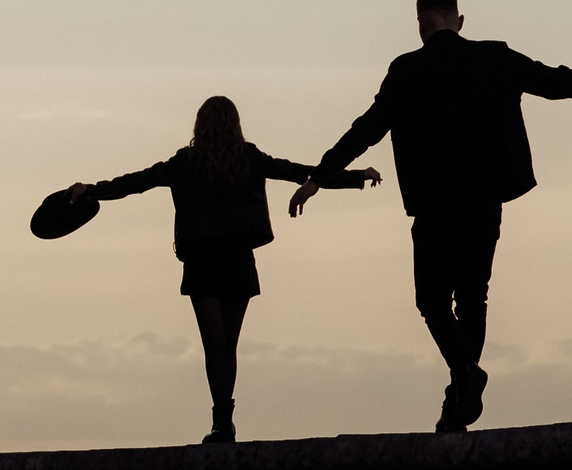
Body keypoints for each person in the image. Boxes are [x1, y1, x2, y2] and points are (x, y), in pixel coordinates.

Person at [293, 0, 572, 435]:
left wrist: (320, 176)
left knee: (432, 300)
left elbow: (366, 129)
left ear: (421, 24)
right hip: (484, 201)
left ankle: (463, 378)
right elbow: (550, 83)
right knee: (473, 297)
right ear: (459, 21)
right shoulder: (494, 57)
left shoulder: (406, 70)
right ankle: (460, 392)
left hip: (435, 205)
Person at [68, 96, 380, 445]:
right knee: (225, 345)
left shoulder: (185, 162)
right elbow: (299, 171)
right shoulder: (248, 159)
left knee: (215, 344)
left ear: (199, 125)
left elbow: (135, 182)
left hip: (202, 262)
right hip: (237, 261)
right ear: (235, 124)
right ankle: (223, 422)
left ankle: (222, 422)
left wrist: (91, 190)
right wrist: (355, 176)